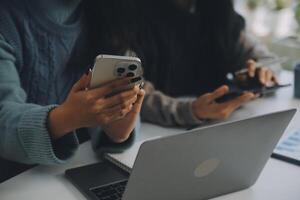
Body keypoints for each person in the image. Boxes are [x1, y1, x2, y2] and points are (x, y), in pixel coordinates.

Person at [0, 0, 145, 182]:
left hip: (76, 172)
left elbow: (118, 106)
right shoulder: (8, 19)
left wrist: (117, 129)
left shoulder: (110, 14)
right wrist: (66, 118)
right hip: (14, 182)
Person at [90, 0, 279, 127]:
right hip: (147, 133)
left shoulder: (217, 12)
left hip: (214, 129)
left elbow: (266, 58)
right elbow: (126, 87)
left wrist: (263, 72)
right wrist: (188, 111)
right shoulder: (128, 13)